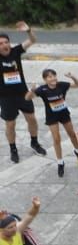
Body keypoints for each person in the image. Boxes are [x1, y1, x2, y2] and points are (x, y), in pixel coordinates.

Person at [0, 24, 48, 163]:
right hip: (6, 98)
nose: (4, 45)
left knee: (32, 119)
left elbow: (33, 40)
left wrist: (28, 30)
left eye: (6, 42)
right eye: (1, 44)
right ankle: (13, 149)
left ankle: (34, 142)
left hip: (23, 94)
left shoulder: (15, 51)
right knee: (10, 125)